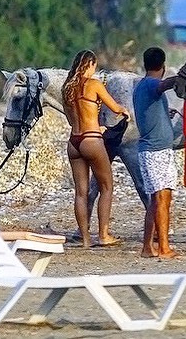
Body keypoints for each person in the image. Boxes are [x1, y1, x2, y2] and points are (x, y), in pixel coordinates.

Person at [62, 50, 130, 248]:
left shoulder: (67, 88)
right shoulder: (94, 84)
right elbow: (115, 108)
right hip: (92, 139)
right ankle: (103, 234)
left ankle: (84, 239)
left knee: (80, 192)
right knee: (106, 186)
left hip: (74, 141)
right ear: (89, 64)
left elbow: (70, 119)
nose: (95, 69)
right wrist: (124, 111)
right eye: (94, 66)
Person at [133, 47, 178, 258]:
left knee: (159, 199)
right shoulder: (152, 84)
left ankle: (147, 247)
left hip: (158, 150)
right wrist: (180, 78)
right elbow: (163, 85)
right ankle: (164, 248)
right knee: (160, 198)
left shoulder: (142, 86)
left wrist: (165, 113)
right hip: (155, 151)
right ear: (163, 66)